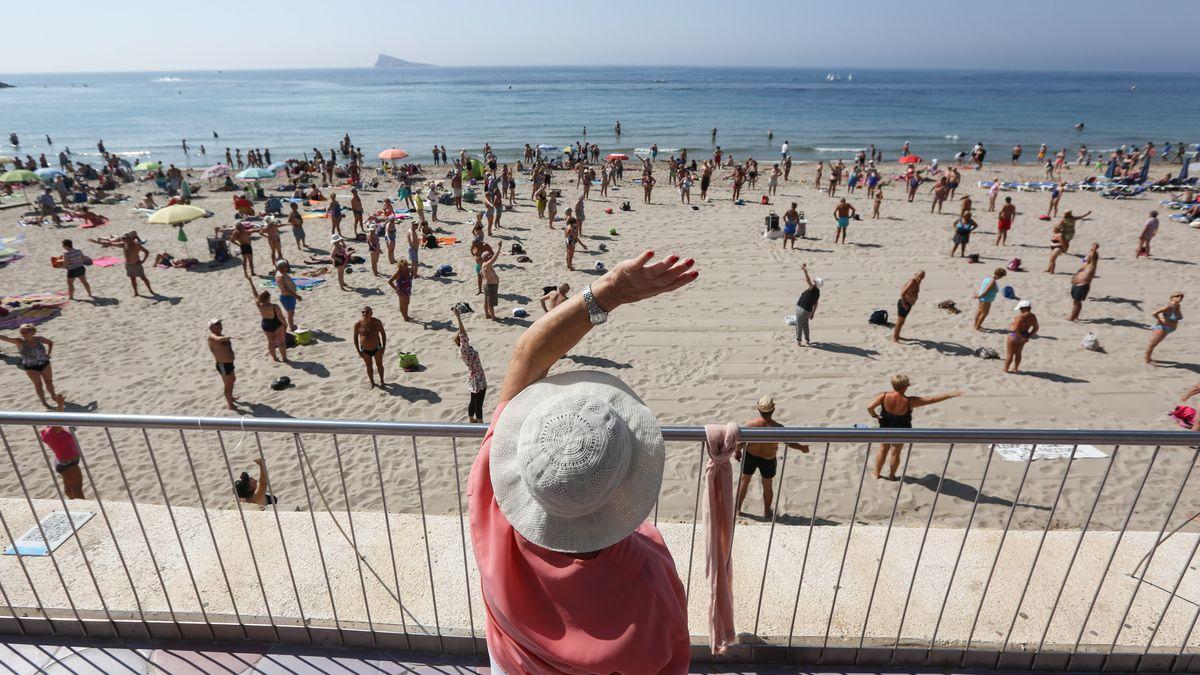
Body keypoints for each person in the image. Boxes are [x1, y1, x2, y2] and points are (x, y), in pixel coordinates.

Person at [468, 249, 695, 675]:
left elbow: (526, 358)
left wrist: (607, 291)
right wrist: (612, 292)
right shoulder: (645, 582)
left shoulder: (492, 506)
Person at [867, 375, 963, 480]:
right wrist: (949, 395)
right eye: (908, 384)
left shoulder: (883, 396)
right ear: (905, 386)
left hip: (886, 427)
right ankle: (892, 476)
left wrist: (874, 415)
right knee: (895, 452)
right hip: (902, 430)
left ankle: (876, 474)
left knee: (883, 449)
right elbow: (931, 399)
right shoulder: (910, 401)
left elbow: (869, 407)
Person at [735, 396, 809, 517]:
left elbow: (740, 443)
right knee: (767, 486)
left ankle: (737, 509)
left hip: (750, 456)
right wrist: (802, 448)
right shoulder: (778, 428)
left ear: (758, 409)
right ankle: (766, 511)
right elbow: (789, 443)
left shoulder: (751, 425)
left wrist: (737, 452)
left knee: (744, 482)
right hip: (768, 459)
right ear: (773, 410)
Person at [1, 324, 57, 408]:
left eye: (26, 331)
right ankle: (44, 402)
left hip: (45, 363)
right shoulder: (20, 341)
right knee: (38, 385)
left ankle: (54, 396)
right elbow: (6, 338)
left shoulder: (39, 339)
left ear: (33, 332)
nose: (24, 333)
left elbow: (50, 342)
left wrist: (48, 354)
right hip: (31, 367)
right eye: (22, 332)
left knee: (49, 381)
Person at [40, 394, 84, 499]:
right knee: (77, 488)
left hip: (63, 462)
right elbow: (59, 419)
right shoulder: (53, 431)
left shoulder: (45, 432)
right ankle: (83, 508)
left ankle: (74, 506)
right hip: (69, 462)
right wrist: (60, 404)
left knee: (69, 489)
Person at [453, 308, 487, 423]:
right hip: (477, 378)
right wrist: (458, 317)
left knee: (473, 400)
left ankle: (471, 419)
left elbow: (463, 334)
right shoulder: (464, 349)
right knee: (478, 402)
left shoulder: (465, 349)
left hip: (475, 376)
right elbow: (463, 333)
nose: (466, 337)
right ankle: (480, 423)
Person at [97, 231, 155, 296]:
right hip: (128, 265)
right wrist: (104, 243)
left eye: (125, 238)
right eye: (123, 238)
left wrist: (143, 260)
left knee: (143, 278)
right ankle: (136, 293)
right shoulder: (124, 244)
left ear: (130, 238)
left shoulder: (136, 245)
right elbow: (111, 244)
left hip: (136, 264)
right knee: (133, 279)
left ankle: (150, 290)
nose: (123, 239)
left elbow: (146, 252)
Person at [252, 285, 288, 362]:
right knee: (281, 342)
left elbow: (255, 294)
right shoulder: (275, 306)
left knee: (271, 342)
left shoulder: (259, 305)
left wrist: (250, 282)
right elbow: (280, 317)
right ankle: (284, 358)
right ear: (268, 298)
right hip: (276, 324)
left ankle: (274, 358)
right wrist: (285, 325)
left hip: (266, 324)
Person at [353, 306, 387, 388]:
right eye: (363, 312)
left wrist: (383, 348)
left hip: (377, 348)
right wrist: (358, 351)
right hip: (365, 350)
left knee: (379, 365)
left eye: (367, 312)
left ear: (371, 313)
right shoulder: (358, 324)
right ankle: (372, 383)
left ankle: (382, 381)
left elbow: (383, 334)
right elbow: (355, 338)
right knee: (369, 366)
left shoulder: (377, 322)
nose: (364, 313)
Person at [207, 319, 237, 410]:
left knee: (232, 380)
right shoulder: (212, 337)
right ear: (211, 328)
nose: (220, 325)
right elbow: (218, 339)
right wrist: (231, 337)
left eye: (220, 323)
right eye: (217, 324)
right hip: (223, 365)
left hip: (229, 363)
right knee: (228, 385)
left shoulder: (222, 336)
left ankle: (231, 397)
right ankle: (230, 405)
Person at [1146, 292, 1184, 364]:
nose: (1179, 298)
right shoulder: (1168, 307)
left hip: (1169, 328)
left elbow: (1178, 317)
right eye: (1177, 296)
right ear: (1171, 298)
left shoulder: (1177, 306)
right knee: (1152, 344)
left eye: (1181, 297)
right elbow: (1154, 313)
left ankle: (1148, 358)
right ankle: (1147, 359)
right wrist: (1160, 320)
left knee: (1154, 343)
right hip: (1163, 328)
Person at [1068, 243, 1099, 322]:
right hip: (1077, 285)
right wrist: (1089, 252)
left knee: (1076, 302)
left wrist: (1094, 249)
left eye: (1090, 255)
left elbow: (1094, 256)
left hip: (1082, 285)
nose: (1088, 256)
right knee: (1076, 302)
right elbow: (1086, 258)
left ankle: (1072, 317)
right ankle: (1076, 316)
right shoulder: (1085, 263)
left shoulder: (1092, 265)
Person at [1005, 300, 1039, 373]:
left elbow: (1015, 329)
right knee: (1018, 353)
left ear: (1025, 308)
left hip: (1014, 336)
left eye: (1021, 308)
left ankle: (1006, 369)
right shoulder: (1033, 316)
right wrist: (1028, 336)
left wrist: (1020, 337)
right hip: (1024, 335)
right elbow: (1036, 328)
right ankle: (1015, 368)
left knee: (1010, 354)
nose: (1020, 310)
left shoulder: (1020, 317)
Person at [794, 263, 822, 346]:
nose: (814, 281)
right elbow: (816, 303)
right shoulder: (818, 292)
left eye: (815, 281)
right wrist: (813, 313)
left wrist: (805, 271)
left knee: (799, 325)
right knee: (805, 325)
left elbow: (808, 280)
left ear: (816, 284)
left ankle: (799, 341)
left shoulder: (812, 289)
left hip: (801, 309)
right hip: (808, 311)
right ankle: (807, 340)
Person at [894, 271, 924, 342]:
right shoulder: (912, 282)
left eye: (922, 277)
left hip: (908, 304)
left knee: (902, 321)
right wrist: (904, 304)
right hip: (904, 303)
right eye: (919, 276)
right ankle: (895, 338)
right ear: (915, 274)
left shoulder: (917, 282)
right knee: (900, 321)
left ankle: (897, 335)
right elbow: (902, 293)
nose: (920, 278)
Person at [273, 260, 301, 330]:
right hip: (287, 297)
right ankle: (292, 327)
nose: (287, 267)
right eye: (286, 266)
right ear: (282, 267)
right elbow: (285, 289)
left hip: (289, 296)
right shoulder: (281, 276)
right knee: (290, 313)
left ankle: (292, 325)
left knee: (291, 312)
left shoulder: (281, 272)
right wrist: (296, 296)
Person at [481, 242, 503, 320]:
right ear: (485, 258)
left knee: (487, 301)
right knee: (491, 303)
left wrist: (484, 281)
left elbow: (481, 274)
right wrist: (499, 247)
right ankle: (493, 317)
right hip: (490, 285)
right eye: (489, 256)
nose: (490, 256)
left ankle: (487, 314)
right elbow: (495, 258)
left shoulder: (484, 265)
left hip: (488, 284)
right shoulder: (486, 264)